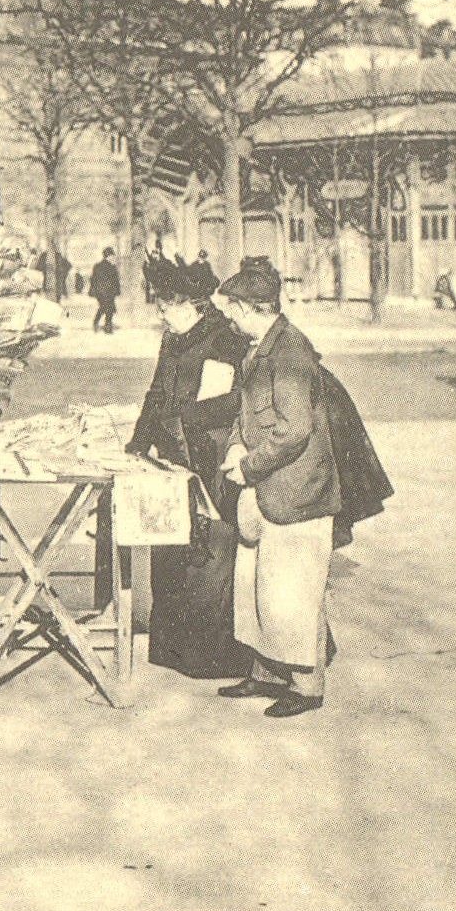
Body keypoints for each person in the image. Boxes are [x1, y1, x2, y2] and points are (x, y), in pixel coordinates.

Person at [216, 257, 341, 718]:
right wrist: (234, 447)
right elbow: (244, 413)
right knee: (258, 587)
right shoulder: (259, 347)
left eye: (232, 309)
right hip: (270, 488)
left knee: (295, 592)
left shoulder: (289, 351)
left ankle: (307, 689)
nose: (228, 318)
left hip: (298, 493)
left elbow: (294, 430)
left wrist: (248, 467)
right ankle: (267, 674)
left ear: (251, 308)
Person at [126, 254, 251, 678]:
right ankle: (173, 649)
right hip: (175, 457)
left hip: (211, 460)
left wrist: (182, 422)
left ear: (193, 304)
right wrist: (139, 442)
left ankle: (211, 655)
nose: (160, 313)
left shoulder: (222, 338)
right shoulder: (173, 338)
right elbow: (157, 391)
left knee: (209, 551)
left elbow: (234, 402)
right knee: (170, 546)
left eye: (166, 306)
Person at [89, 247, 121, 332]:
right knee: (109, 308)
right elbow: (115, 280)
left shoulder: (97, 266)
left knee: (103, 307)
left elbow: (93, 279)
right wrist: (117, 291)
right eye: (112, 256)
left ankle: (97, 322)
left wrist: (93, 291)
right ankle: (107, 326)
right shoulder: (112, 267)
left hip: (100, 292)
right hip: (109, 292)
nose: (113, 258)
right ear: (108, 256)